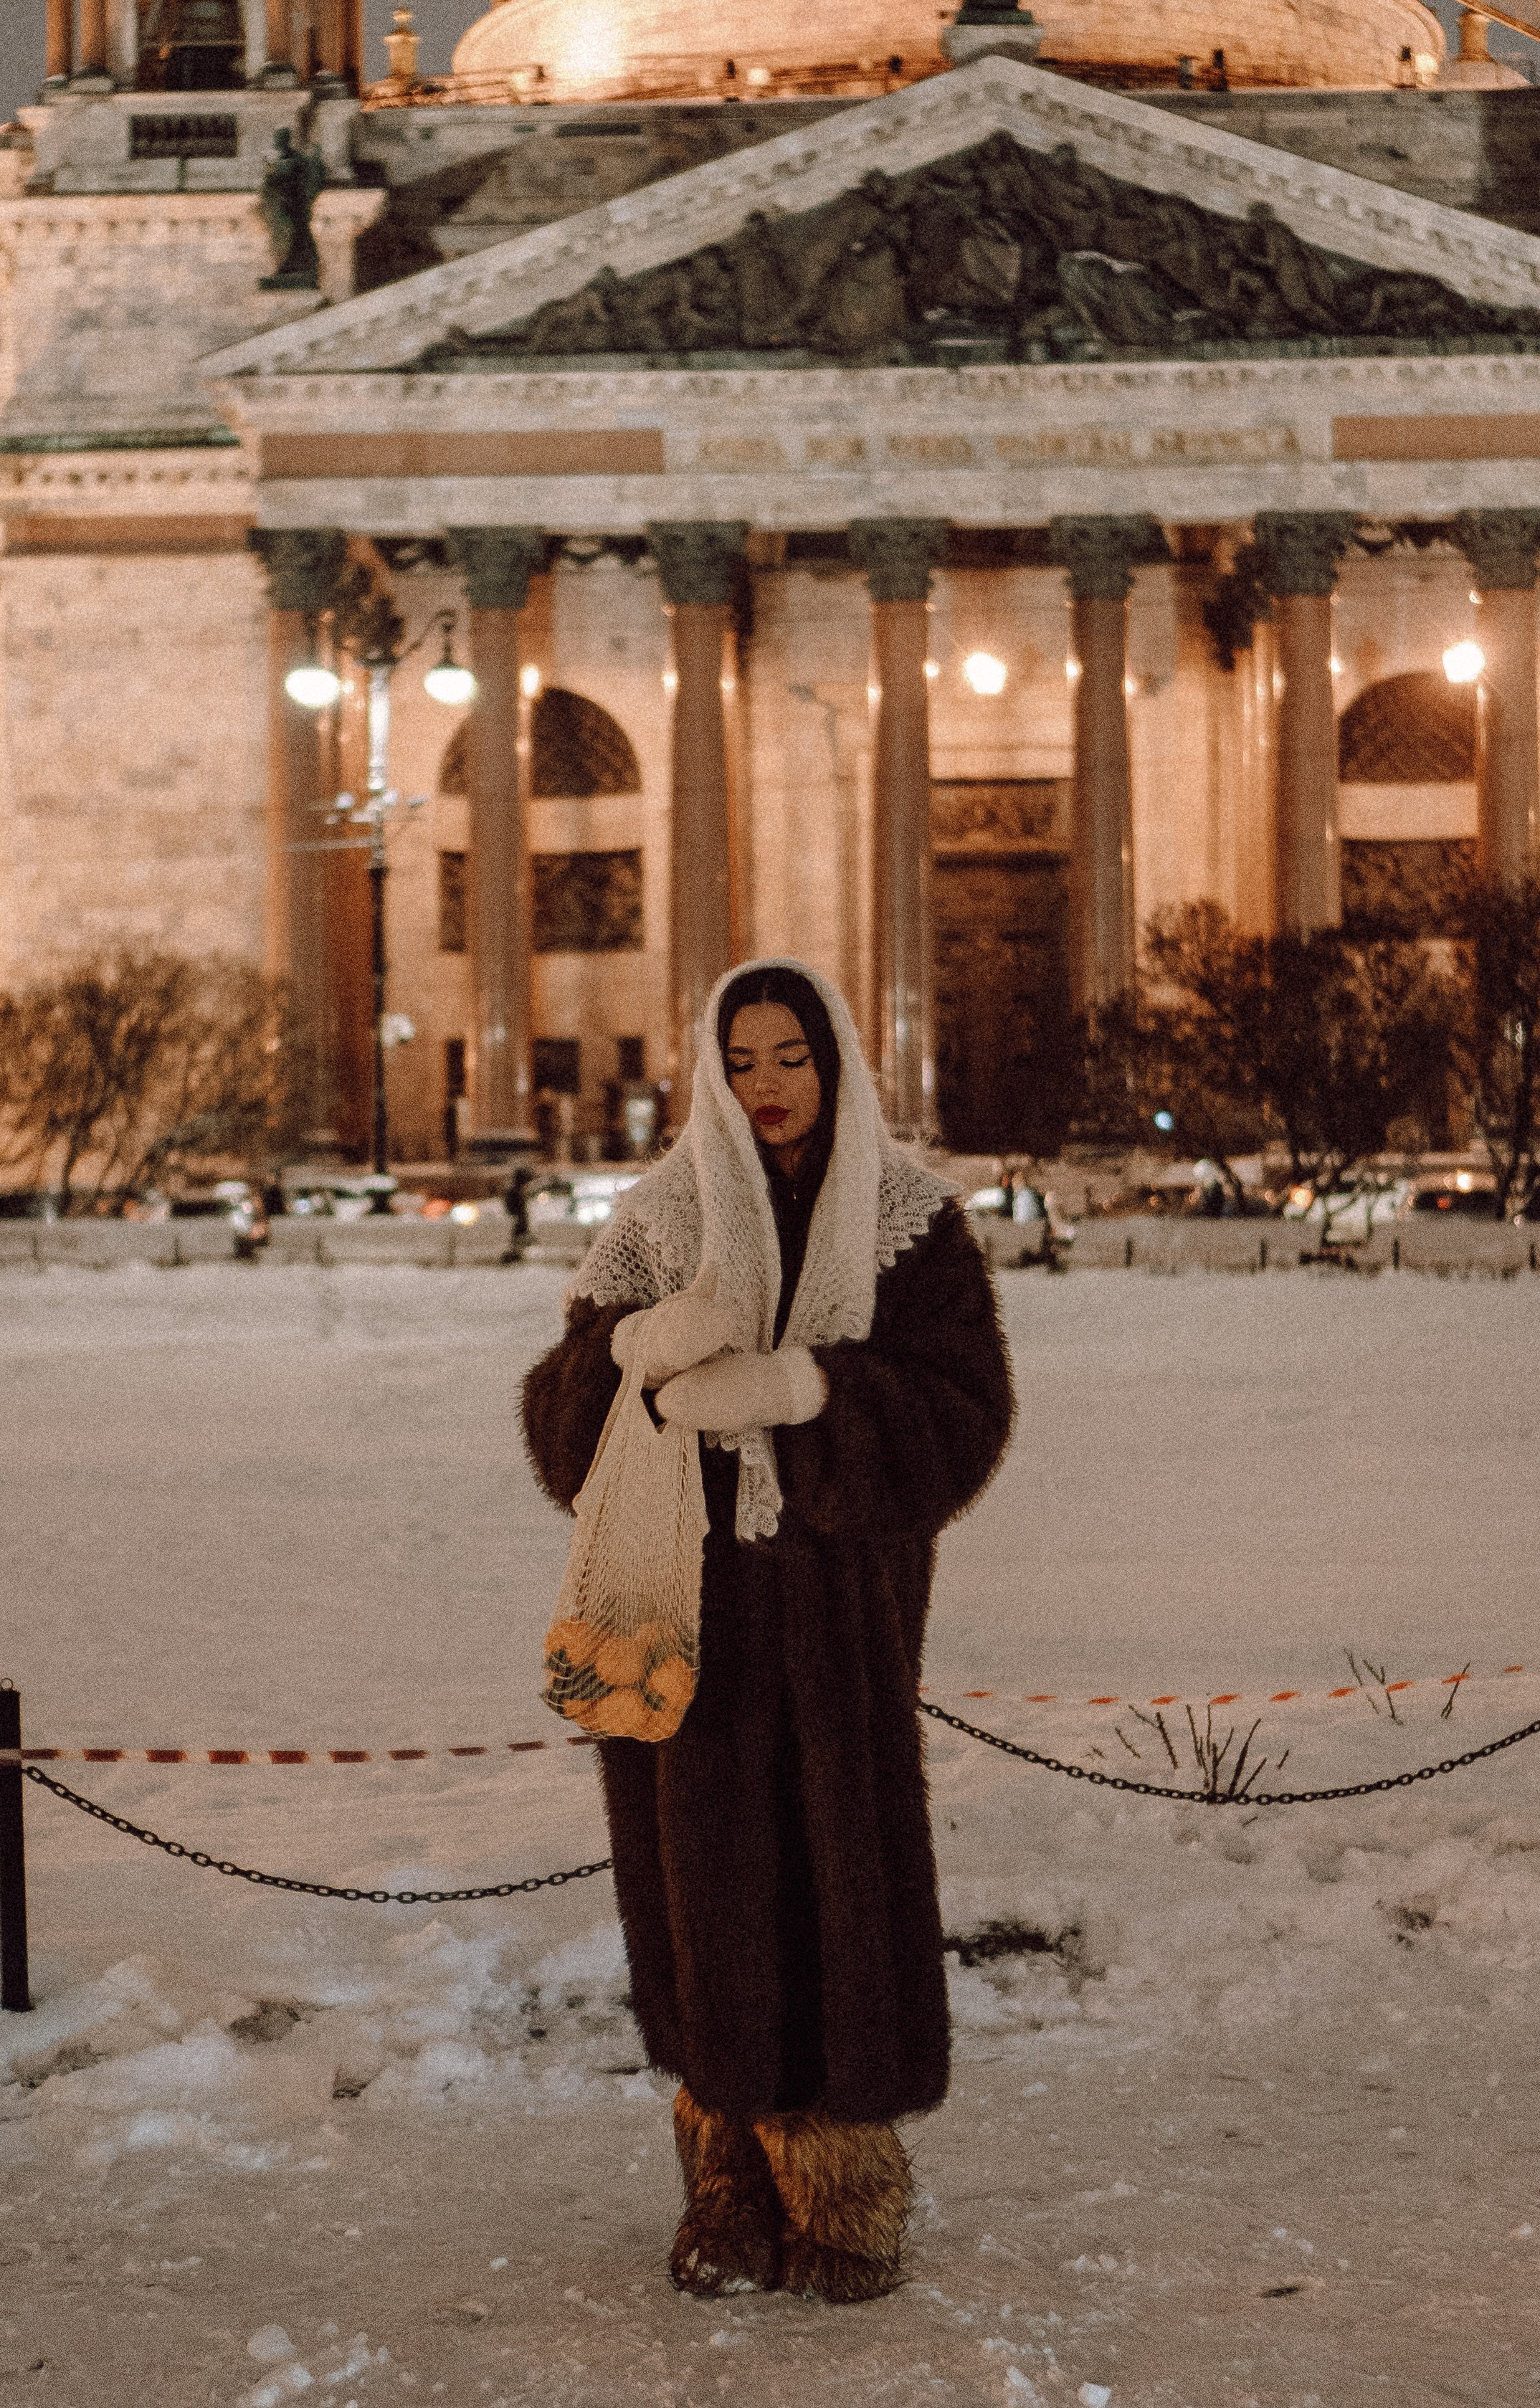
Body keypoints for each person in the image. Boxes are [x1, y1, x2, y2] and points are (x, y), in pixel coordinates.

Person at [521, 960, 1014, 2305]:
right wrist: (635, 1366)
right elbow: (560, 1421)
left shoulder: (910, 1224)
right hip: (692, 1620)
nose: (768, 1086)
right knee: (705, 1891)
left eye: (791, 1056)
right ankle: (728, 2180)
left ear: (837, 1060)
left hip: (842, 1620)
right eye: (741, 1060)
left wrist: (805, 1391)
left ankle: (846, 2186)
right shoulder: (659, 1219)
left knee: (841, 1886)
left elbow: (964, 1416)